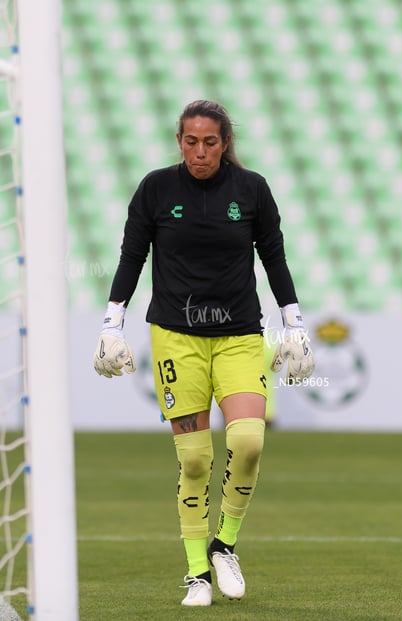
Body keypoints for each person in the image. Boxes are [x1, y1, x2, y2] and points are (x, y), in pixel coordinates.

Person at [93, 100, 314, 607]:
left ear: (225, 142)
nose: (199, 152)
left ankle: (225, 545)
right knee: (194, 460)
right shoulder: (156, 188)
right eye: (190, 141)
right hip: (175, 337)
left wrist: (294, 323)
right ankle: (197, 573)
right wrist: (111, 323)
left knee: (250, 443)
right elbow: (132, 254)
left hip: (238, 334)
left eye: (209, 142)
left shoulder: (251, 189)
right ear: (179, 141)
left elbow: (273, 255)